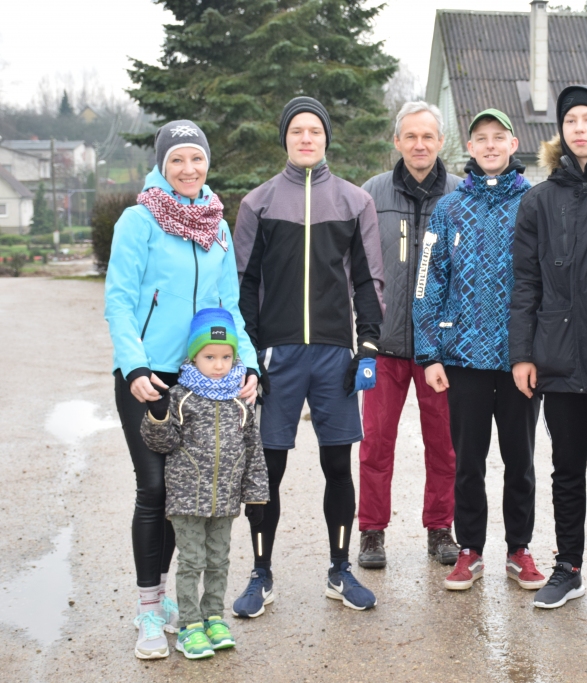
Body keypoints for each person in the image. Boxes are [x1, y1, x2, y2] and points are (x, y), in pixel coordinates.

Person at [104, 120, 259, 659]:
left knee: (180, 494)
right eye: (178, 160)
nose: (189, 169)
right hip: (148, 377)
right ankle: (150, 612)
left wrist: (249, 366)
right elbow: (119, 301)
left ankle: (172, 601)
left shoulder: (216, 223)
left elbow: (231, 306)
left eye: (197, 159)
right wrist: (134, 367)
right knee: (152, 488)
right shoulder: (140, 219)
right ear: (162, 165)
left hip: (203, 380)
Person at [233, 96, 386, 615]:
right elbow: (243, 283)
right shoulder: (257, 203)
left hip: (333, 357)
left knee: (336, 464)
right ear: (285, 138)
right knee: (268, 470)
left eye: (314, 131)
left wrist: (366, 344)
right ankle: (261, 572)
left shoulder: (352, 202)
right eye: (296, 130)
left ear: (326, 139)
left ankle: (340, 571)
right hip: (276, 357)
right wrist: (249, 355)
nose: (306, 138)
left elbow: (369, 280)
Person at [508, 85, 587, 610]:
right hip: (556, 356)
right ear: (560, 132)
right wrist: (522, 353)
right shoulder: (539, 198)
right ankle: (568, 566)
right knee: (566, 468)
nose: (579, 128)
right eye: (570, 121)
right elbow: (524, 283)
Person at [413, 109, 545, 592]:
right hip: (462, 358)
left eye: (498, 138)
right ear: (468, 148)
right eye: (480, 139)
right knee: (467, 459)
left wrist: (538, 349)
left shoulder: (534, 203)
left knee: (520, 460)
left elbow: (546, 279)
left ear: (513, 144)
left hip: (519, 359)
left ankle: (519, 549)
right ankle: (469, 549)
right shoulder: (448, 209)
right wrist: (429, 353)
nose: (490, 146)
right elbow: (428, 280)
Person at [357, 102, 460, 569]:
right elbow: (351, 269)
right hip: (384, 346)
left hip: (440, 350)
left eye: (428, 136)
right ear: (396, 142)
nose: (420, 145)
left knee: (445, 444)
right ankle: (372, 532)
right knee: (377, 444)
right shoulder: (371, 194)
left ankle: (441, 528)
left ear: (441, 142)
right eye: (410, 136)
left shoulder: (461, 196)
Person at [141, 309, 269, 660]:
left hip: (225, 501)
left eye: (226, 356)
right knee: (192, 561)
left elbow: (253, 451)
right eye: (210, 357)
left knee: (219, 560)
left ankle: (214, 617)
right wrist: (157, 415)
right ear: (194, 356)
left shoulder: (240, 401)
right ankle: (190, 625)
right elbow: (163, 443)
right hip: (187, 501)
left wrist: (256, 497)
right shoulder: (182, 397)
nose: (218, 364)